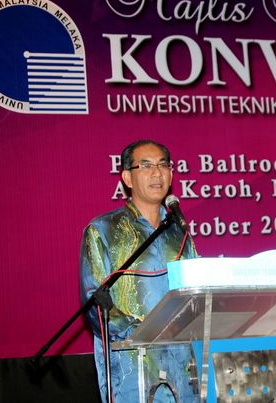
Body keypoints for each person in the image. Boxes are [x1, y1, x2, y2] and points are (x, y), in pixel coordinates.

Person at [80, 139, 198, 403]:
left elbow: (195, 292)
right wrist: (144, 331)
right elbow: (94, 301)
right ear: (127, 178)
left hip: (184, 367)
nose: (157, 173)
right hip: (133, 368)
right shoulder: (103, 230)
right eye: (146, 166)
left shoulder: (179, 233)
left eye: (163, 165)